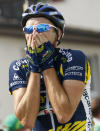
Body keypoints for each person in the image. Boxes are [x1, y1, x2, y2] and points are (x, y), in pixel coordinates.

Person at [9, 2, 92, 131]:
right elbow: (27, 121)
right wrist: (35, 68)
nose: (34, 34)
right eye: (29, 30)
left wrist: (47, 65)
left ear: (58, 34)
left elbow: (64, 115)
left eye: (42, 28)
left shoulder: (74, 58)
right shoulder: (18, 66)